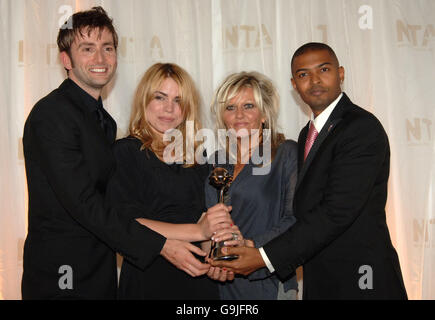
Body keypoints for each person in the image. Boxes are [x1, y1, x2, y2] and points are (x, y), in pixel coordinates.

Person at [21, 7, 217, 300]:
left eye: (107, 48)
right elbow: (84, 204)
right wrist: (163, 244)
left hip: (101, 267)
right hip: (63, 271)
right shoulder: (52, 115)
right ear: (66, 59)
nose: (100, 59)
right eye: (87, 49)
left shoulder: (103, 122)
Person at [211, 42, 408, 300]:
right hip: (321, 279)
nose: (314, 80)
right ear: (295, 84)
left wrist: (263, 256)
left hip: (361, 280)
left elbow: (336, 212)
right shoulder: (308, 134)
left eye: (323, 69)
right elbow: (307, 210)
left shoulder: (361, 128)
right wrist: (247, 246)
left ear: (341, 73)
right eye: (303, 74)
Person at [105, 62, 232, 299]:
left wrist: (215, 257)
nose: (169, 109)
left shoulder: (198, 158)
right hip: (149, 277)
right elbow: (125, 222)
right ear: (144, 100)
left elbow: (205, 221)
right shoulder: (126, 151)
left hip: (197, 280)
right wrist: (197, 230)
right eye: (160, 97)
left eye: (178, 101)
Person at [204, 71, 298, 300]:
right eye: (230, 108)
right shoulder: (214, 161)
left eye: (248, 106)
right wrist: (210, 257)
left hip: (268, 278)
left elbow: (295, 219)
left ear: (264, 114)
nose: (239, 115)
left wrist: (250, 244)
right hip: (222, 281)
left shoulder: (285, 153)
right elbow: (207, 221)